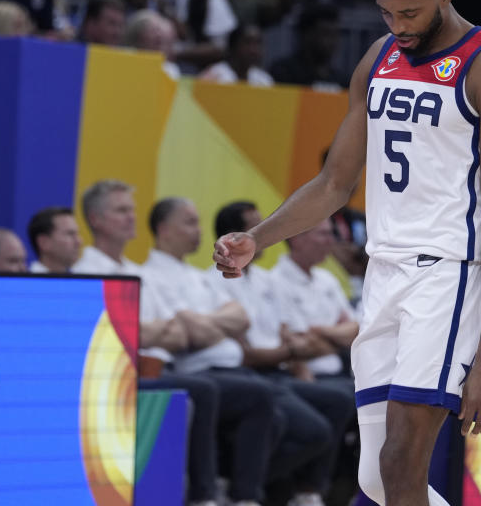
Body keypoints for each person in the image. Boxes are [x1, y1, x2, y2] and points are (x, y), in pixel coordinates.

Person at [213, 0, 481, 506]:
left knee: (403, 457)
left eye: (409, 12)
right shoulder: (379, 57)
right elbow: (335, 184)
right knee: (377, 480)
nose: (397, 24)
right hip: (383, 273)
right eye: (386, 11)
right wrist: (257, 239)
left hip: (447, 274)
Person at [213, 202, 358, 506]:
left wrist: (295, 349)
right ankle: (245, 491)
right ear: (231, 237)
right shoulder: (216, 281)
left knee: (343, 401)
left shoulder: (265, 280)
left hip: (279, 370)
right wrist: (293, 352)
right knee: (316, 425)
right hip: (255, 373)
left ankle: (303, 491)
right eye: (252, 227)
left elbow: (294, 336)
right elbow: (249, 352)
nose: (260, 233)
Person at [142, 197, 278, 506]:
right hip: (193, 369)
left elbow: (239, 318)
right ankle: (219, 496)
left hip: (232, 367)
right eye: (190, 223)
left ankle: (240, 491)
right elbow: (181, 333)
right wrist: (214, 324)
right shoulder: (150, 276)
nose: (199, 231)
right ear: (164, 229)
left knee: (274, 411)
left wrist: (203, 323)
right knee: (255, 396)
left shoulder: (197, 276)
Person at [271, 220, 359, 380]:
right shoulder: (275, 282)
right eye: (323, 234)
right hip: (310, 378)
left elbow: (355, 330)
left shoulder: (327, 279)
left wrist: (319, 331)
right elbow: (301, 345)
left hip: (343, 370)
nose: (331, 241)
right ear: (296, 239)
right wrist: (338, 337)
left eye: (332, 233)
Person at [269, 4, 345, 90]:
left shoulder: (343, 81)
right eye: (326, 33)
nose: (332, 41)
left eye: (335, 34)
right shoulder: (283, 73)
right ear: (306, 35)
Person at [72, 180, 141, 276]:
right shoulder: (82, 275)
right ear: (94, 219)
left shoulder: (139, 273)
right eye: (121, 210)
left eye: (132, 210)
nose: (132, 217)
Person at [199, 23, 274, 86]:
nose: (253, 50)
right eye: (247, 43)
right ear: (233, 46)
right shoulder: (213, 76)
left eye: (258, 43)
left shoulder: (264, 80)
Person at [27, 206, 82, 273]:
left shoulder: (79, 280)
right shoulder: (26, 282)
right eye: (70, 234)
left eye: (77, 234)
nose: (79, 242)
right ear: (43, 242)